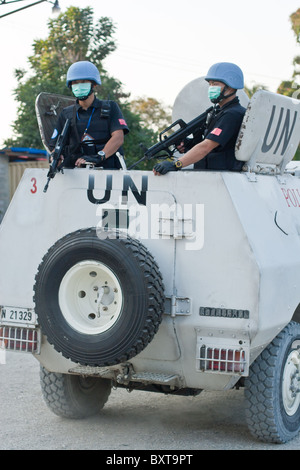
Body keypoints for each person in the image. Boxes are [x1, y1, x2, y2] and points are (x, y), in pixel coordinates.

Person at [153, 62, 246, 175]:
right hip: (210, 176)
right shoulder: (217, 112)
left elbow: (206, 147)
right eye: (210, 84)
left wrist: (176, 164)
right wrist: (187, 144)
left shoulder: (233, 114)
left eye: (215, 84)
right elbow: (209, 144)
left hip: (223, 178)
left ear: (230, 87)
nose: (211, 88)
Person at [49, 60, 129, 169]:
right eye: (75, 82)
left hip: (109, 173)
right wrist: (55, 157)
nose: (79, 85)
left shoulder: (110, 107)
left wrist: (99, 156)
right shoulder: (66, 113)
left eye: (83, 82)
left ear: (94, 84)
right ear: (70, 85)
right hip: (75, 176)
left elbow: (118, 137)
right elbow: (55, 145)